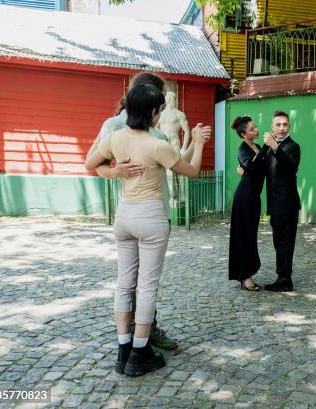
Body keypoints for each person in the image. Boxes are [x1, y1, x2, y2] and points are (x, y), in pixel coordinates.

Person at [86, 84, 211, 377]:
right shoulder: (158, 144)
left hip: (124, 216)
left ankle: (123, 351)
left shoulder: (115, 138)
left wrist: (115, 171)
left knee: (124, 283)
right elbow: (191, 171)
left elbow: (90, 163)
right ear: (154, 112)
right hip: (151, 216)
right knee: (146, 286)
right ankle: (140, 353)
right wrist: (200, 142)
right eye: (159, 110)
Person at [262, 111, 301, 292]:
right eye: (278, 125)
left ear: (289, 126)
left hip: (287, 203)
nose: (282, 128)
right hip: (275, 203)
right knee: (279, 241)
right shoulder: (270, 147)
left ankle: (285, 279)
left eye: (285, 125)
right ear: (273, 126)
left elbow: (290, 168)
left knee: (285, 242)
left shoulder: (293, 146)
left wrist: (275, 148)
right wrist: (243, 168)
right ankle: (282, 276)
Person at [228, 116, 267, 291]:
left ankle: (248, 272)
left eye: (255, 127)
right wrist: (266, 147)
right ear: (244, 134)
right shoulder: (243, 148)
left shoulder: (257, 147)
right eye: (252, 129)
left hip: (254, 198)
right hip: (244, 198)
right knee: (243, 236)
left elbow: (264, 167)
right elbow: (250, 166)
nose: (256, 130)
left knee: (251, 236)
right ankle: (245, 277)